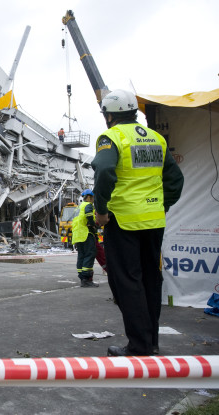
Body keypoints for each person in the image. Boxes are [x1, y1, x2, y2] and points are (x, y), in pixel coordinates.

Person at [92, 89, 184, 356]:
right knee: (150, 281)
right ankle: (151, 341)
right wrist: (160, 205)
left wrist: (101, 211)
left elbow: (106, 171)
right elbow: (175, 180)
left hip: (123, 222)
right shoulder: (156, 138)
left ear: (109, 115)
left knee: (127, 282)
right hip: (154, 222)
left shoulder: (112, 137)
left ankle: (139, 346)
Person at [71, 189, 99, 287]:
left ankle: (82, 278)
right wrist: (94, 225)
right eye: (93, 198)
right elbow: (89, 215)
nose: (93, 200)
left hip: (77, 235)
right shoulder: (88, 205)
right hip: (86, 233)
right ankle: (87, 279)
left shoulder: (78, 207)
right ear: (89, 197)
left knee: (81, 256)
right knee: (90, 254)